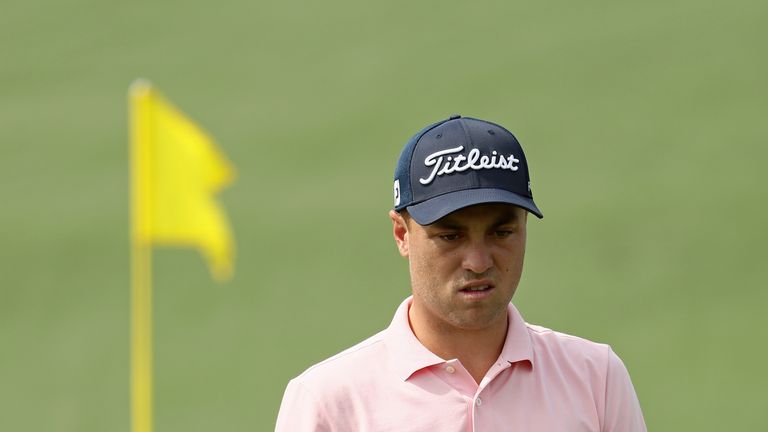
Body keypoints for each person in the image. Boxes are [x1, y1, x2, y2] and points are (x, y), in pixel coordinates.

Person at [275, 115, 646, 431]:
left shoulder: (597, 378)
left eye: (502, 232)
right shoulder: (327, 403)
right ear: (402, 234)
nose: (478, 261)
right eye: (450, 236)